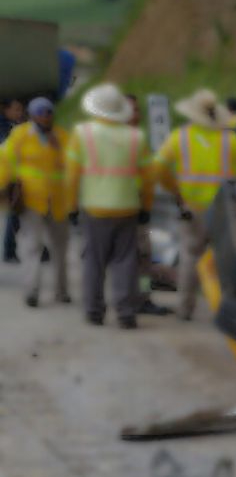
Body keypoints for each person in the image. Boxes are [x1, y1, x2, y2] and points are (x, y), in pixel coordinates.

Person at [155, 89, 236, 320]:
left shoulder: (180, 137)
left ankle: (184, 309)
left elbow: (158, 168)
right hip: (223, 209)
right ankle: (227, 311)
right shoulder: (232, 140)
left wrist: (175, 190)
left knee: (190, 256)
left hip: (192, 207)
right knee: (225, 260)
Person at [65, 83, 155, 328]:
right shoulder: (137, 137)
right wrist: (146, 207)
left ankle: (94, 311)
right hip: (127, 207)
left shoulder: (82, 134)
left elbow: (71, 177)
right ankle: (126, 312)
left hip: (94, 209)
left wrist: (71, 207)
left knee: (94, 261)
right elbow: (149, 179)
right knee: (126, 261)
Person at [0, 97, 70, 308]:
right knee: (32, 246)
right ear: (32, 115)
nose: (45, 117)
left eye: (48, 113)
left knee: (60, 248)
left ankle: (62, 290)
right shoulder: (21, 135)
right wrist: (2, 186)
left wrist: (60, 151)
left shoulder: (62, 136)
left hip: (58, 200)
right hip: (31, 200)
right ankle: (32, 291)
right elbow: (5, 160)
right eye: (40, 113)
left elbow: (73, 164)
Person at [123, 93, 172, 317]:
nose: (135, 114)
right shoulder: (115, 140)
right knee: (122, 260)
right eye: (130, 110)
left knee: (143, 260)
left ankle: (142, 298)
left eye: (137, 110)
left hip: (140, 209)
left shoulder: (139, 139)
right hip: (121, 209)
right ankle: (124, 299)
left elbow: (149, 174)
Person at [2, 98, 26, 263]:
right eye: (16, 109)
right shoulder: (4, 129)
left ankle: (10, 249)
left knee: (17, 213)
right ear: (5, 109)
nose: (19, 113)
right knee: (15, 213)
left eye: (21, 110)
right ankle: (9, 250)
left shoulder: (13, 126)